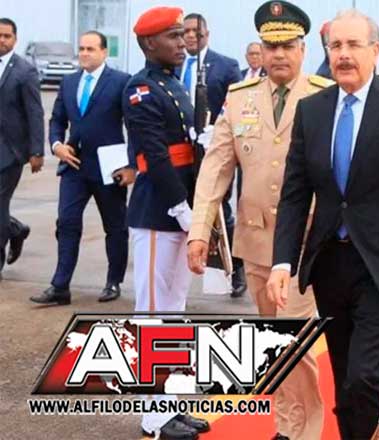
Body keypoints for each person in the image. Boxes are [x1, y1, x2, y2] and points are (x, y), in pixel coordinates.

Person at [266, 9, 379, 438]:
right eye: (336, 46)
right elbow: (295, 192)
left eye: (354, 45)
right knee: (343, 375)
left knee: (365, 376)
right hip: (329, 266)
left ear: (376, 51)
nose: (343, 55)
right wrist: (282, 262)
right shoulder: (312, 110)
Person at [187, 2, 328, 438]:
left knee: (292, 337)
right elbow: (215, 168)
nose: (279, 54)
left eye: (288, 45)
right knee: (274, 338)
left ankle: (302, 430)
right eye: (271, 46)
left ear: (303, 49)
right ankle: (286, 424)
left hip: (305, 242)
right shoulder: (239, 98)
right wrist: (200, 231)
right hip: (255, 238)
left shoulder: (324, 96)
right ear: (261, 51)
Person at [124, 7, 210, 439]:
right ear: (148, 43)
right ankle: (153, 417)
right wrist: (181, 207)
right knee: (154, 315)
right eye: (173, 36)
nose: (182, 42)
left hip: (180, 208)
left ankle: (171, 406)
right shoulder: (140, 88)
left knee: (174, 312)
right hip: (159, 211)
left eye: (183, 35)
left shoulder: (174, 84)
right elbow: (155, 156)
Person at [30, 31, 132, 306]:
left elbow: (134, 125)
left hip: (109, 168)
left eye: (90, 49)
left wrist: (131, 164)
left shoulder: (121, 82)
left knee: (115, 226)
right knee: (67, 222)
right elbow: (57, 120)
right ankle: (60, 286)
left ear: (104, 52)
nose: (84, 53)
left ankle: (113, 281)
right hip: (74, 165)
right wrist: (56, 145)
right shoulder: (70, 81)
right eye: (82, 48)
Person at [180, 12, 246, 296]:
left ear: (206, 33)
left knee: (221, 209)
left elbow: (237, 103)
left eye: (195, 31)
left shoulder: (225, 65)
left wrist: (216, 129)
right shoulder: (175, 64)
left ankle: (235, 269)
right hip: (182, 151)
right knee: (184, 207)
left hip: (214, 146)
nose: (190, 36)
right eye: (185, 32)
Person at [0, 17, 43, 278]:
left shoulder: (24, 71)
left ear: (15, 39)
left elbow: (35, 112)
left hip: (10, 151)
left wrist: (36, 151)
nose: (2, 40)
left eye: (6, 36)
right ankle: (15, 229)